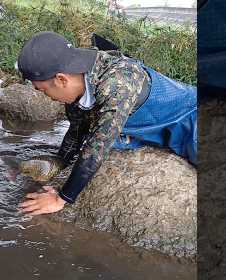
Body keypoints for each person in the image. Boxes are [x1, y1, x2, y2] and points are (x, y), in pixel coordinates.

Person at [18, 31, 197, 216]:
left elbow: (97, 148)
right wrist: (59, 163)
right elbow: (77, 131)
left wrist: (61, 199)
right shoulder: (76, 86)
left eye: (43, 90)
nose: (47, 97)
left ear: (62, 79)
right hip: (139, 126)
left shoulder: (117, 82)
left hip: (188, 116)